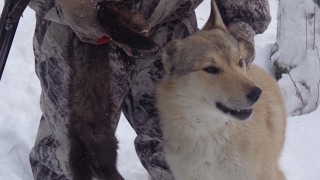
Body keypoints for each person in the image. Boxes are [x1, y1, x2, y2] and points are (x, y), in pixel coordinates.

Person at [27, 0, 271, 179]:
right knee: (77, 156)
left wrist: (242, 20)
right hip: (78, 34)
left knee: (185, 147)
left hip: (170, 30)